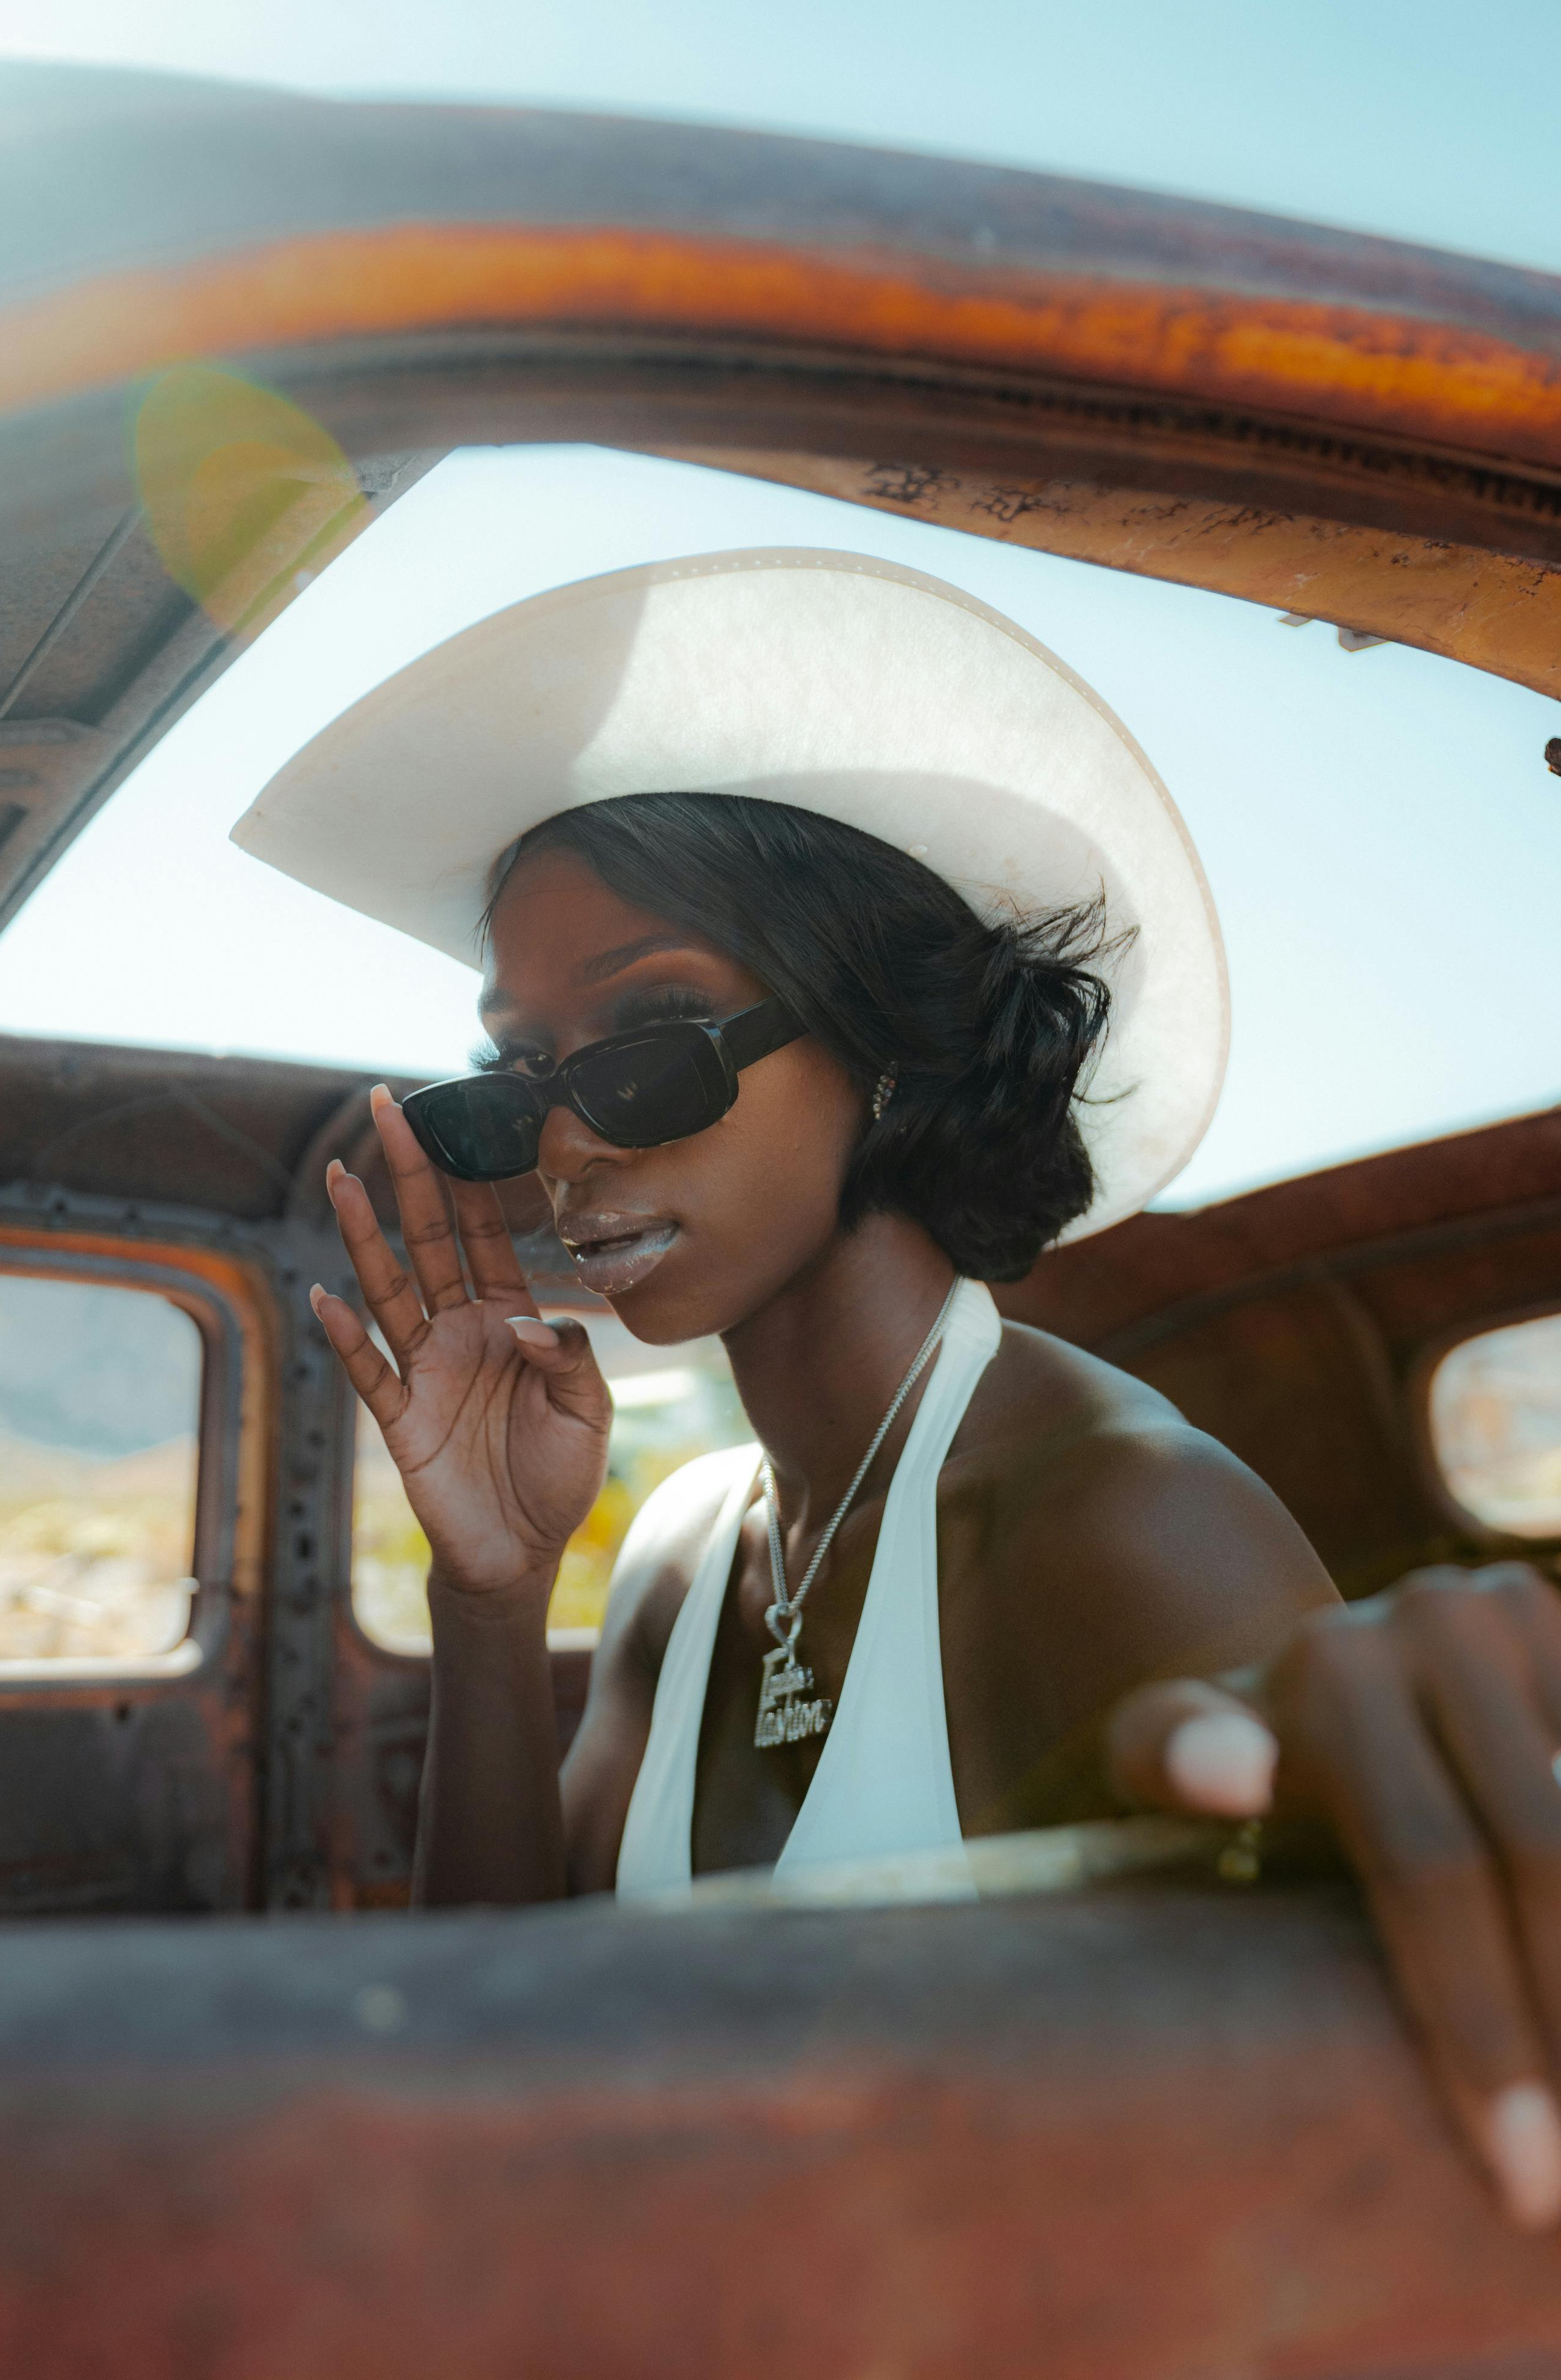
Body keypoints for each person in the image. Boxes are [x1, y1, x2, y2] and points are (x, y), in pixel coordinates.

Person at [236, 548, 1561, 2232]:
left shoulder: (1119, 1521)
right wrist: (490, 1596)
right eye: (518, 1079)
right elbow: (500, 2039)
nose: (566, 1143)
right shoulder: (689, 1546)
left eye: (648, 1039)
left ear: (882, 1047)